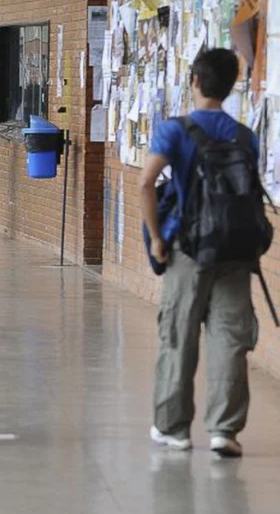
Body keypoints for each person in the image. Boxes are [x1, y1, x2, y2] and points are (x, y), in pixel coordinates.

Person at [138, 49, 260, 458]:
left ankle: (173, 428)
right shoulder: (245, 135)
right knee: (229, 339)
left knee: (179, 335)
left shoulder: (175, 130)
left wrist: (156, 238)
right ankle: (225, 430)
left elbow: (145, 184)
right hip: (236, 251)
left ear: (194, 81)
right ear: (231, 86)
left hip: (188, 249)